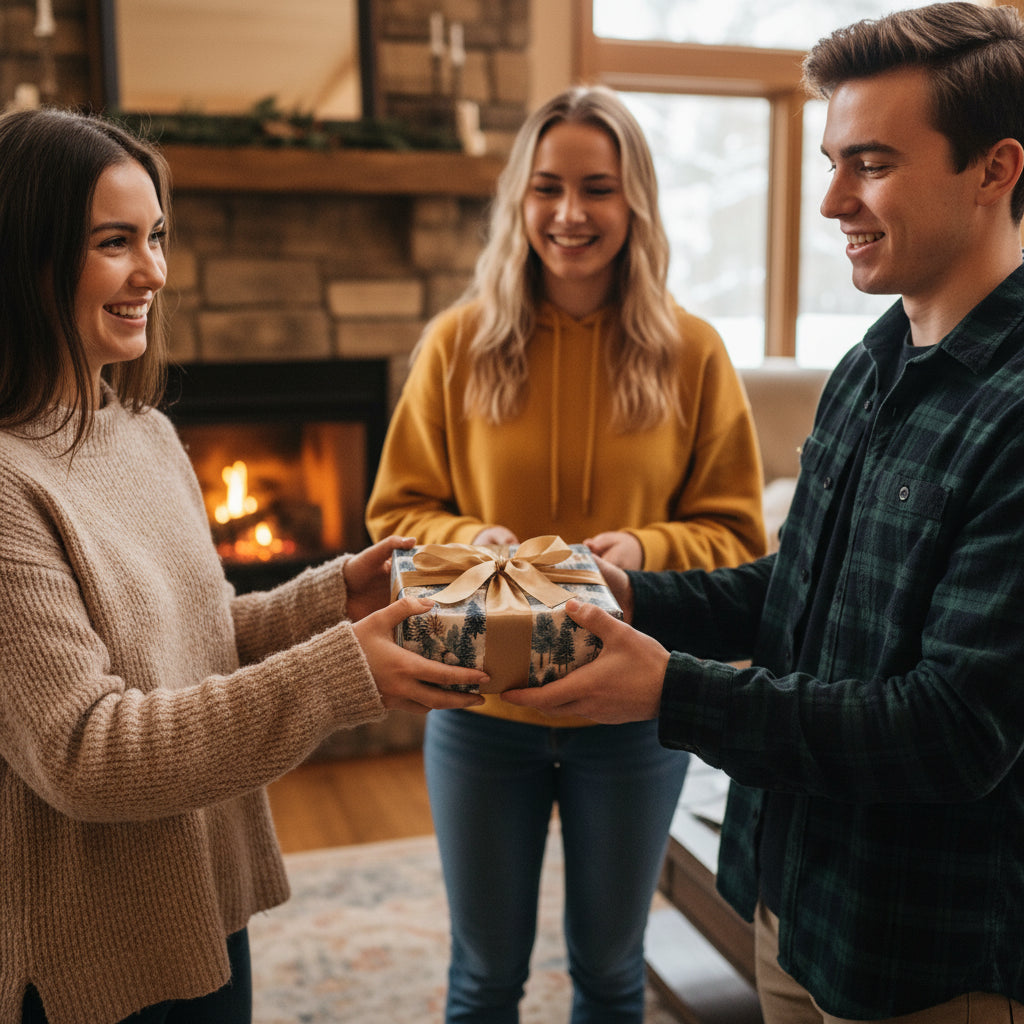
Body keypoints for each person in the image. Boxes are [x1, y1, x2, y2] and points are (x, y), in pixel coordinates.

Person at [504, 4, 1024, 1022]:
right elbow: (801, 592)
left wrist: (670, 692)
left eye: (871, 164)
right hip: (790, 899)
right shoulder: (871, 361)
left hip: (924, 955)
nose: (831, 200)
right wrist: (631, 596)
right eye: (832, 162)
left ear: (995, 169)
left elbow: (953, 728)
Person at [0, 107, 488, 1024]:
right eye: (114, 242)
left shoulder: (144, 432)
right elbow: (86, 753)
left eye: (156, 237)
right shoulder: (7, 486)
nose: (154, 272)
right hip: (95, 952)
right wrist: (339, 674)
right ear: (25, 257)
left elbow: (198, 633)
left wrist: (336, 596)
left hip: (204, 899)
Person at [365, 85, 765, 1022]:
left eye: (598, 188)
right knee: (483, 978)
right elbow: (397, 512)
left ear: (636, 203)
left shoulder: (694, 352)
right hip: (477, 704)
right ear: (521, 198)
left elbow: (740, 537)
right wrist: (472, 540)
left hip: (630, 713)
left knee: (612, 974)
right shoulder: (458, 343)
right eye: (548, 187)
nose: (570, 213)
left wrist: (645, 547)